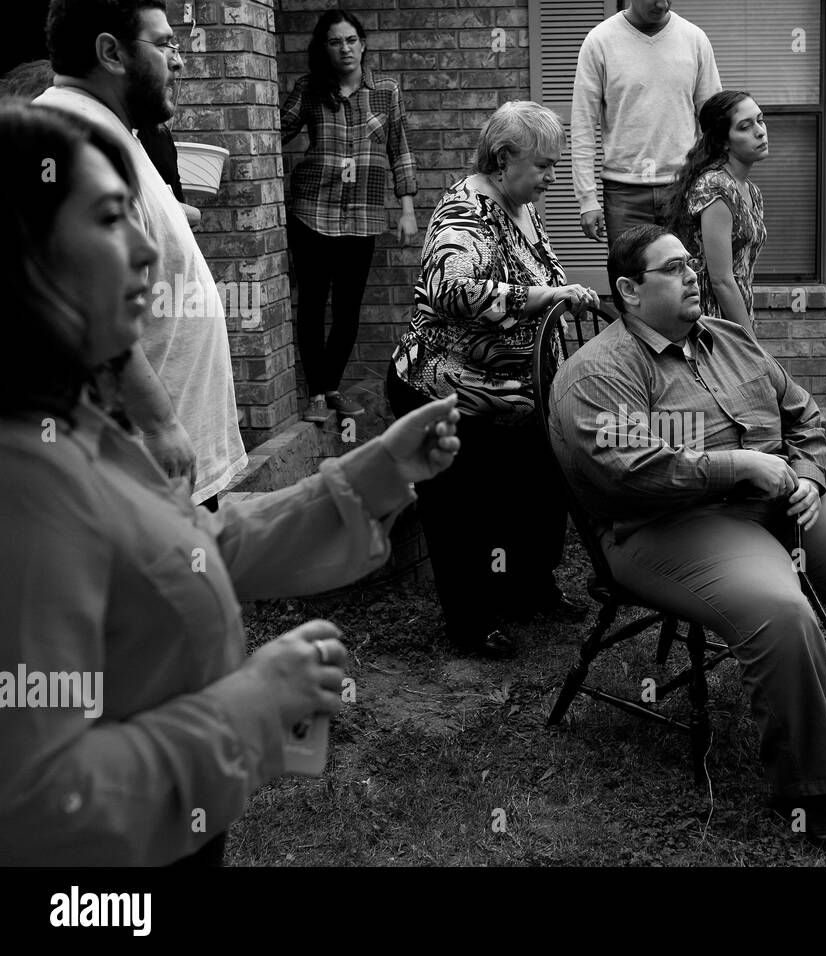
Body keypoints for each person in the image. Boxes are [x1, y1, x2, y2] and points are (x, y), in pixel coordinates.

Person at [0, 101, 461, 866]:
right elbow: (36, 804)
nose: (149, 251)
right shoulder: (22, 482)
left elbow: (185, 545)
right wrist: (251, 708)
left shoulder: (76, 420)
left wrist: (376, 470)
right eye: (113, 218)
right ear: (26, 254)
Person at [549, 225, 826, 860]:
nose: (693, 274)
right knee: (781, 610)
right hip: (668, 526)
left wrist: (810, 477)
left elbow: (803, 415)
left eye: (692, 263)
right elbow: (629, 468)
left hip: (782, 501)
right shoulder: (597, 371)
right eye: (673, 268)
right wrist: (740, 467)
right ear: (627, 289)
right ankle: (808, 794)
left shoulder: (730, 340)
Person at [387, 101, 594, 660]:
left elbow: (532, 273)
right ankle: (472, 623)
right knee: (463, 512)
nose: (553, 177)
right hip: (443, 389)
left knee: (540, 487)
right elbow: (454, 292)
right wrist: (546, 297)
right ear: (504, 158)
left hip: (509, 394)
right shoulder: (464, 211)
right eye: (545, 165)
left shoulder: (521, 204)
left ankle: (529, 589)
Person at [38, 0, 247, 511]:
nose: (179, 59)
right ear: (111, 52)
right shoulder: (75, 140)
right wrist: (160, 423)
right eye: (164, 44)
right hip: (144, 464)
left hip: (161, 459)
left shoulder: (109, 128)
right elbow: (88, 301)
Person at [281, 9, 419, 424]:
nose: (345, 48)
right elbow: (272, 131)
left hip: (362, 217)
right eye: (335, 41)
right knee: (311, 306)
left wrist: (407, 207)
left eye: (351, 40)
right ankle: (320, 397)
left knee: (347, 310)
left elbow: (400, 149)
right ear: (325, 48)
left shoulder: (386, 91)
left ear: (363, 43)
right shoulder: (309, 89)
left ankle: (328, 388)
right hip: (312, 211)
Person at [571, 0, 720, 245]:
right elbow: (582, 127)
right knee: (629, 279)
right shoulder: (600, 41)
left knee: (684, 278)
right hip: (623, 192)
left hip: (682, 187)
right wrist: (587, 199)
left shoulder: (695, 39)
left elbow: (714, 122)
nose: (662, 4)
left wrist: (713, 182)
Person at [666, 89, 768, 337]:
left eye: (760, 119)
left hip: (735, 313)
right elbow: (720, 280)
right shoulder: (715, 187)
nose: (760, 131)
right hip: (711, 320)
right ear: (723, 141)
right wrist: (750, 341)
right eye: (745, 126)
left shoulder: (750, 191)